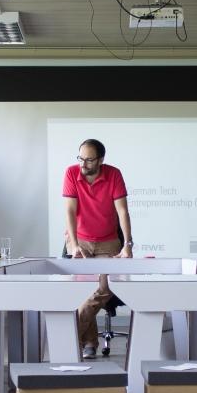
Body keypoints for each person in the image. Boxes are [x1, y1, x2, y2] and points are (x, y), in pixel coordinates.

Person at [63, 138, 133, 359]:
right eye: (81, 158)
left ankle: (69, 337)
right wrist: (73, 245)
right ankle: (90, 343)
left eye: (89, 160)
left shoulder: (114, 174)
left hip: (108, 241)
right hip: (80, 241)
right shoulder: (71, 173)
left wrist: (128, 244)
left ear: (101, 160)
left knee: (103, 288)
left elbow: (122, 211)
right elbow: (70, 212)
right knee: (81, 291)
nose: (83, 164)